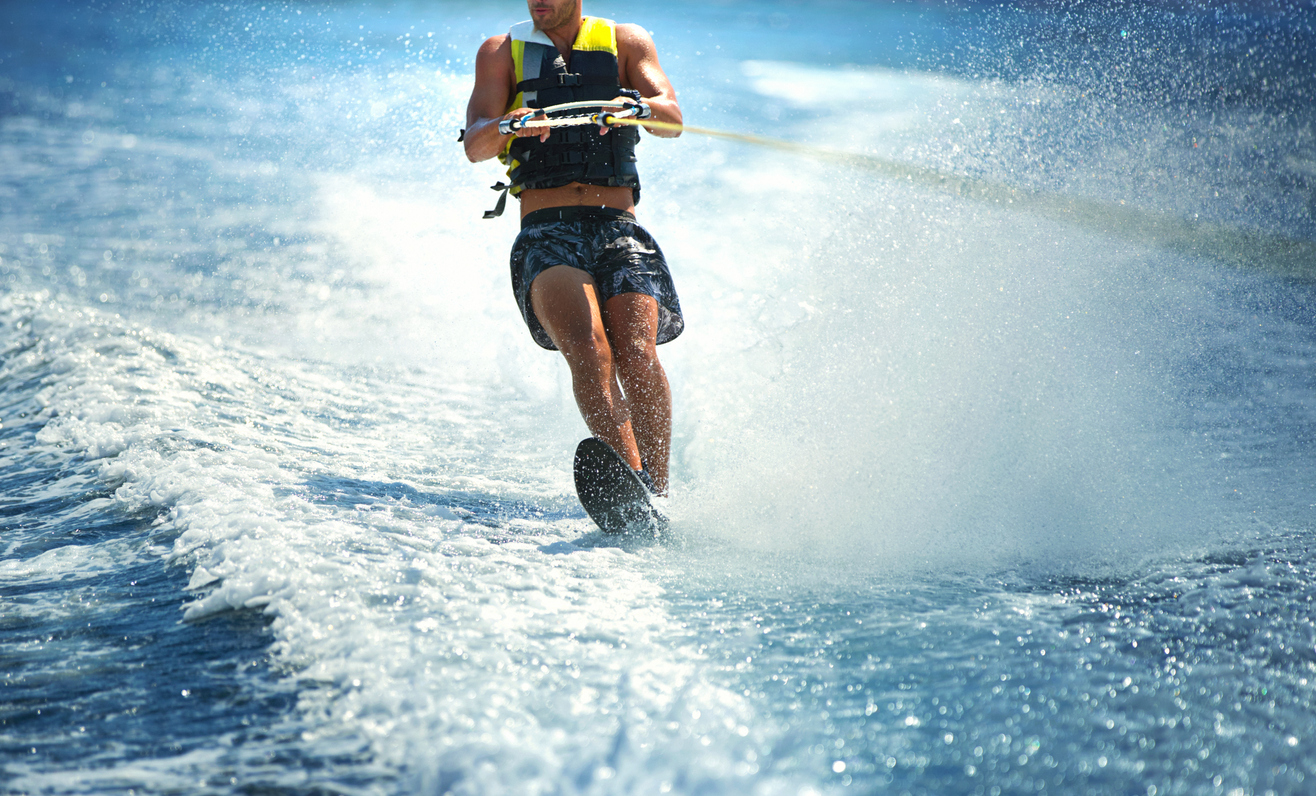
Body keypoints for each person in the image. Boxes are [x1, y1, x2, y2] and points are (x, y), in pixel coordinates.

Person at [462, 0, 683, 496]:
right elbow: (475, 144)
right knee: (589, 347)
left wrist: (638, 108)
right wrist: (507, 124)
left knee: (636, 350)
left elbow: (672, 119)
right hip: (547, 233)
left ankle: (660, 496)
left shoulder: (627, 42)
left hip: (619, 229)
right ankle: (634, 483)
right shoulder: (500, 53)